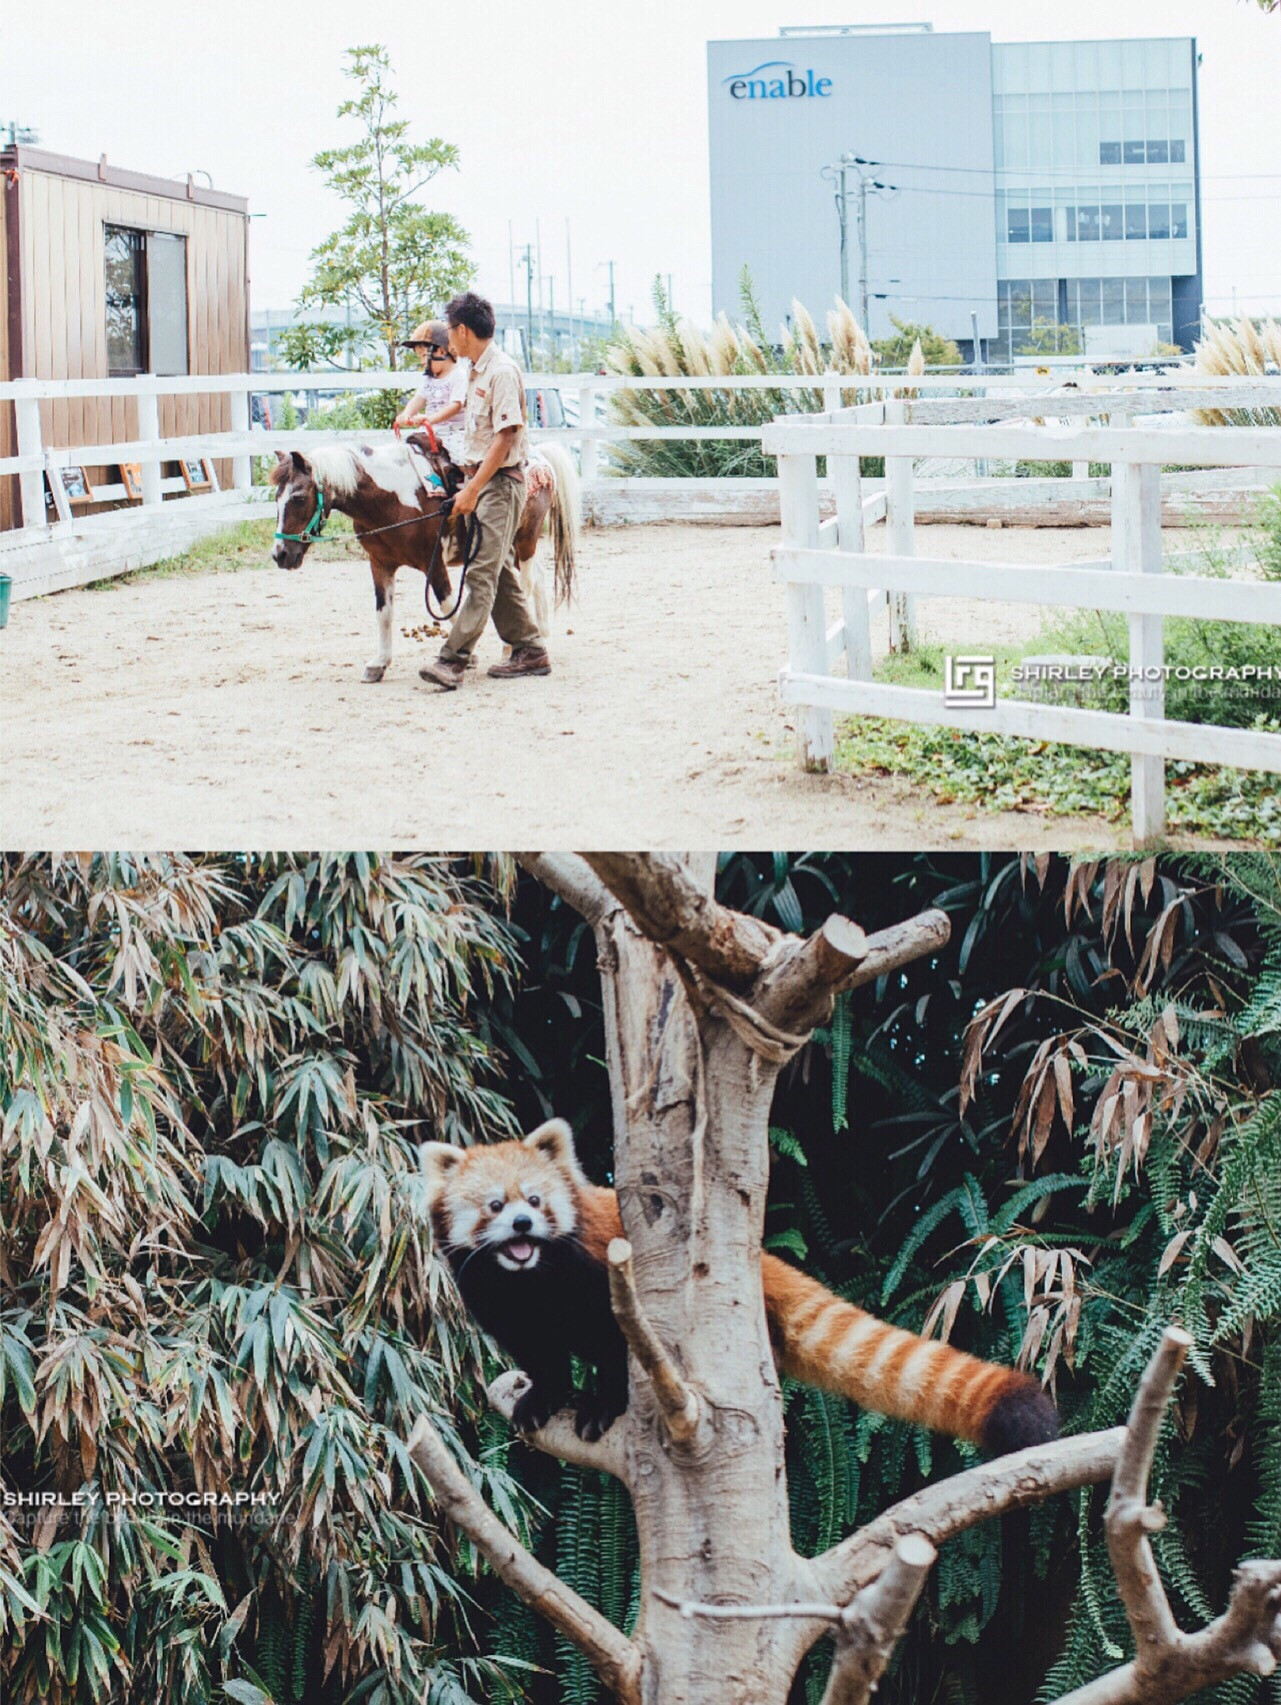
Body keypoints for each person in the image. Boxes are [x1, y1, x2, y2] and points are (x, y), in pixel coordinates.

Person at [418, 293, 550, 689]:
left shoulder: (501, 372)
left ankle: (453, 659)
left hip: (499, 484)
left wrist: (474, 488)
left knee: (481, 573)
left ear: (462, 330)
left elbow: (506, 436)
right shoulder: (477, 370)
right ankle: (529, 649)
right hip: (483, 481)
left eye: (448, 334)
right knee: (496, 568)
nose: (446, 344)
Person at [394, 320, 468, 462]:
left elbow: (456, 405)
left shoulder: (459, 375)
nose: (421, 362)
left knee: (463, 460)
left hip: (454, 434)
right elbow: (418, 398)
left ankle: (468, 482)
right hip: (430, 431)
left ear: (441, 351)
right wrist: (407, 414)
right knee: (409, 453)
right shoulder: (429, 379)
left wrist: (429, 419)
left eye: (423, 355)